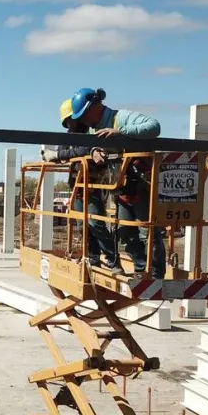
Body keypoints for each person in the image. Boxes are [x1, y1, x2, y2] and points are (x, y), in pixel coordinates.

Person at [60, 87, 166, 279]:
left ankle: (157, 275)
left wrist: (120, 132)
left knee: (147, 229)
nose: (81, 121)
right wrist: (94, 150)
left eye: (83, 115)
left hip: (144, 183)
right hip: (123, 184)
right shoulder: (96, 130)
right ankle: (141, 270)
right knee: (124, 230)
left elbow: (154, 127)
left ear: (93, 107)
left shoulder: (122, 118)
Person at [41, 113, 120, 273]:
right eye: (67, 122)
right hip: (77, 187)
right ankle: (93, 258)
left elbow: (82, 150)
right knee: (82, 225)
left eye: (72, 120)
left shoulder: (90, 135)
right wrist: (56, 155)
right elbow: (66, 152)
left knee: (96, 223)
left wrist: (58, 155)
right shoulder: (68, 137)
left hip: (92, 185)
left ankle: (113, 260)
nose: (70, 124)